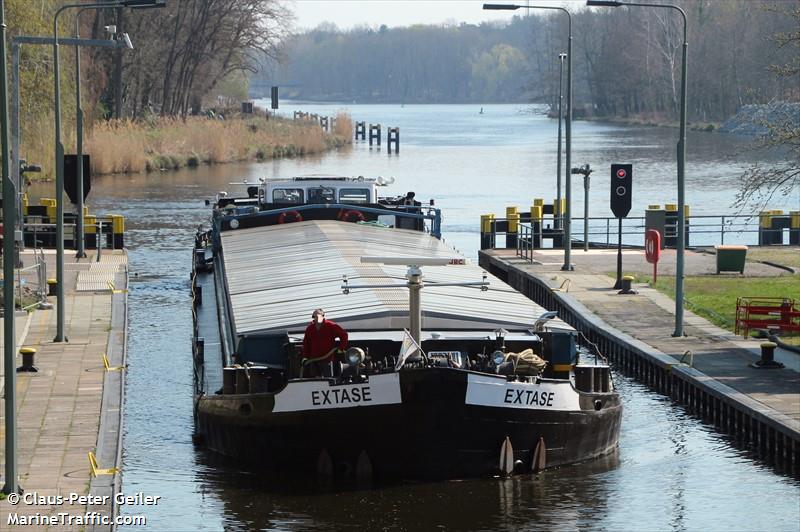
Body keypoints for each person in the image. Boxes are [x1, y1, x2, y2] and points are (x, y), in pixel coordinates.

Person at [302, 309, 348, 377]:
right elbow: (306, 344)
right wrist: (305, 357)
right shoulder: (310, 328)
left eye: (319, 316)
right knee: (315, 380)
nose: (317, 318)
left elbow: (344, 335)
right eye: (315, 316)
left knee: (328, 379)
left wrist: (341, 348)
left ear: (323, 316)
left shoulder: (331, 325)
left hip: (327, 359)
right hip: (313, 360)